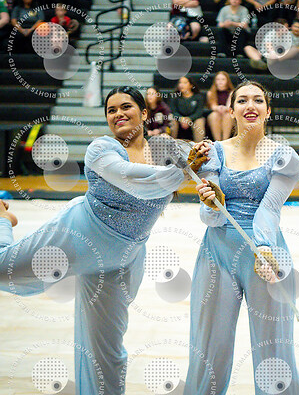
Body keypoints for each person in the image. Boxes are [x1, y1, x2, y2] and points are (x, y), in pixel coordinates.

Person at [0, 86, 211, 394]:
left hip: (120, 260)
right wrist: (184, 170)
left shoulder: (166, 150)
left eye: (126, 107)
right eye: (111, 110)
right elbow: (135, 179)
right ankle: (3, 219)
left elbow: (214, 162)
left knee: (106, 353)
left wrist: (207, 158)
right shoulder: (101, 149)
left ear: (144, 113)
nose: (118, 114)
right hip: (76, 238)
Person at [184, 81, 299, 394]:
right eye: (242, 100)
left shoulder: (284, 157)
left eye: (258, 100)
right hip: (217, 254)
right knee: (208, 346)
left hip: (266, 254)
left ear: (268, 110)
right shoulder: (212, 153)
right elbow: (210, 218)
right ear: (231, 110)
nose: (250, 106)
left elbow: (270, 209)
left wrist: (263, 248)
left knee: (274, 349)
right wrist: (211, 202)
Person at [215, 0, 264, 66]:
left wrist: (232, 23)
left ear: (240, 1)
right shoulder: (224, 9)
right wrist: (225, 24)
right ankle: (222, 52)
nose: (234, 0)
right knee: (221, 30)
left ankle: (239, 53)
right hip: (228, 33)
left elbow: (245, 25)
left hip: (240, 34)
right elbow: (219, 24)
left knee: (241, 31)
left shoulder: (244, 10)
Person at [170, 76, 206, 142]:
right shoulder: (174, 96)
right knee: (172, 120)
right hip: (179, 119)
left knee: (200, 121)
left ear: (191, 85)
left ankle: (199, 145)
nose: (181, 85)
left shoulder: (198, 97)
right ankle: (172, 144)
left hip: (193, 119)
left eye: (185, 83)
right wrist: (181, 119)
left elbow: (199, 112)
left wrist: (189, 119)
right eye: (180, 83)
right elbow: (173, 111)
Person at [206, 71, 234, 140]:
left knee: (227, 115)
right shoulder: (210, 93)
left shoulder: (232, 92)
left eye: (223, 79)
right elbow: (213, 106)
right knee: (215, 115)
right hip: (215, 114)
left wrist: (224, 108)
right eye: (218, 79)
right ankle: (217, 141)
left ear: (227, 81)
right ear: (215, 81)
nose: (220, 81)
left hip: (227, 113)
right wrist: (218, 108)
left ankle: (225, 140)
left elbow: (229, 106)